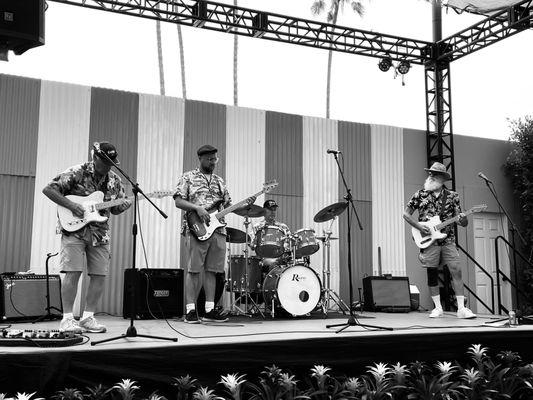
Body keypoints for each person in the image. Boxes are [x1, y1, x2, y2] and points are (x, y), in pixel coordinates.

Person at [43, 142, 131, 333]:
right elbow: (49, 189)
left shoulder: (115, 180)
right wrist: (72, 205)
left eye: (112, 163)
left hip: (100, 233)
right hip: (74, 230)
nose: (109, 166)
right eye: (106, 162)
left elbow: (114, 208)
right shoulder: (77, 171)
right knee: (73, 272)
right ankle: (67, 319)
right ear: (96, 158)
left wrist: (123, 206)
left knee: (100, 274)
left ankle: (87, 317)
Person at [174, 145, 255, 324]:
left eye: (215, 159)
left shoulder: (220, 181)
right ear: (201, 159)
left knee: (213, 271)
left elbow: (228, 206)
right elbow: (178, 201)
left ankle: (209, 310)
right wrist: (197, 208)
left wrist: (245, 205)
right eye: (210, 159)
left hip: (218, 230)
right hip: (197, 229)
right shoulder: (188, 177)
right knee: (194, 270)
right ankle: (190, 310)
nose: (213, 162)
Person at [403, 162, 476, 319]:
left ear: (442, 178)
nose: (430, 175)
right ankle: (437, 308)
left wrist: (463, 219)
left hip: (448, 239)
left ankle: (461, 309)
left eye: (434, 173)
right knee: (432, 274)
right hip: (429, 241)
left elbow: (462, 223)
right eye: (430, 173)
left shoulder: (452, 196)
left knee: (456, 270)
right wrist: (418, 226)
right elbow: (406, 214)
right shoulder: (419, 194)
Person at [252, 200, 291, 268]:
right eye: (270, 209)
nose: (273, 212)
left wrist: (286, 245)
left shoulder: (283, 227)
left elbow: (290, 244)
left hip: (280, 259)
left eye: (274, 209)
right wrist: (254, 243)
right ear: (264, 210)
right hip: (262, 260)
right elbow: (252, 245)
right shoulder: (257, 227)